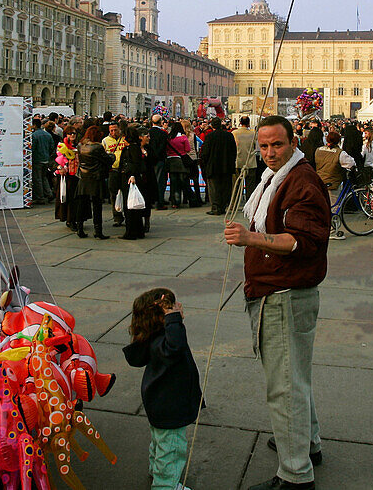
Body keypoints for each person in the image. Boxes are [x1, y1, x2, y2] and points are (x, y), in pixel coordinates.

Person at [224, 116, 329, 490]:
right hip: (276, 289)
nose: (269, 153)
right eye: (264, 146)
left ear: (292, 142)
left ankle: (296, 474)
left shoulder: (301, 181)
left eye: (277, 145)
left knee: (284, 385)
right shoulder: (277, 175)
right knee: (294, 377)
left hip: (285, 294)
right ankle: (306, 443)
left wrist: (250, 239)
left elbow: (302, 241)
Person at [122, 288, 203, 490]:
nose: (179, 308)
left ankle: (155, 471)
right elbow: (176, 345)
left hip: (159, 403)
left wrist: (172, 319)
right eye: (173, 307)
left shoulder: (154, 338)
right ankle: (165, 485)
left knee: (160, 442)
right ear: (162, 316)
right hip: (170, 406)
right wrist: (174, 319)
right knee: (172, 449)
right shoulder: (166, 342)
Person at [76, 125, 113, 240]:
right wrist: (111, 156)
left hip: (83, 176)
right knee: (97, 205)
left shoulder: (80, 145)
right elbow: (107, 160)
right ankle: (98, 230)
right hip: (96, 177)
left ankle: (80, 228)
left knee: (82, 204)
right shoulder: (97, 147)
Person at [120, 126, 152, 240]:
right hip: (134, 178)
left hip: (130, 178)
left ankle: (131, 231)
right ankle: (138, 230)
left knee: (129, 206)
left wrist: (132, 174)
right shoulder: (136, 148)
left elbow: (135, 163)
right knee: (134, 207)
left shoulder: (131, 149)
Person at [200, 118, 237, 215]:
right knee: (225, 188)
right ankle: (223, 206)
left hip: (213, 166)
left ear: (212, 126)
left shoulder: (209, 137)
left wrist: (205, 163)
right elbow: (234, 151)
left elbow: (205, 153)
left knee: (214, 188)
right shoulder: (229, 136)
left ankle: (216, 207)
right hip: (226, 166)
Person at [55, 126, 80, 230]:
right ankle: (70, 220)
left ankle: (75, 219)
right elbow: (54, 159)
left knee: (76, 199)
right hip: (66, 176)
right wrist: (60, 167)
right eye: (70, 134)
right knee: (68, 198)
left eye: (74, 133)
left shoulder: (78, 145)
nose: (72, 135)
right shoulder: (61, 146)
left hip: (77, 175)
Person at [102, 122, 125, 226]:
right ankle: (117, 217)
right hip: (113, 170)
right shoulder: (105, 141)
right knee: (113, 194)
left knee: (126, 194)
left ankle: (127, 215)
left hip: (124, 170)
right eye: (111, 130)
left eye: (115, 130)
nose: (113, 132)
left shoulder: (124, 139)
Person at [165, 121, 192, 209]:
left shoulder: (169, 138)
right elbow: (188, 149)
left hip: (171, 161)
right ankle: (187, 198)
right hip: (180, 162)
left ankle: (175, 201)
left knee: (173, 183)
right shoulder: (183, 138)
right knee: (182, 182)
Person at [234, 116, 259, 198]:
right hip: (251, 163)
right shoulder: (253, 134)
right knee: (250, 187)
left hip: (238, 162)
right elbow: (257, 147)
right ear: (249, 123)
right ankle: (249, 203)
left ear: (240, 123)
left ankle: (235, 202)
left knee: (237, 185)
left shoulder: (234, 133)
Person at [148, 115, 170, 210]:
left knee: (149, 181)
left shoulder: (148, 132)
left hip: (149, 160)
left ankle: (150, 200)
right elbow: (163, 147)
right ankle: (159, 202)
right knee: (160, 181)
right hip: (160, 160)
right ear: (161, 122)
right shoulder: (163, 134)